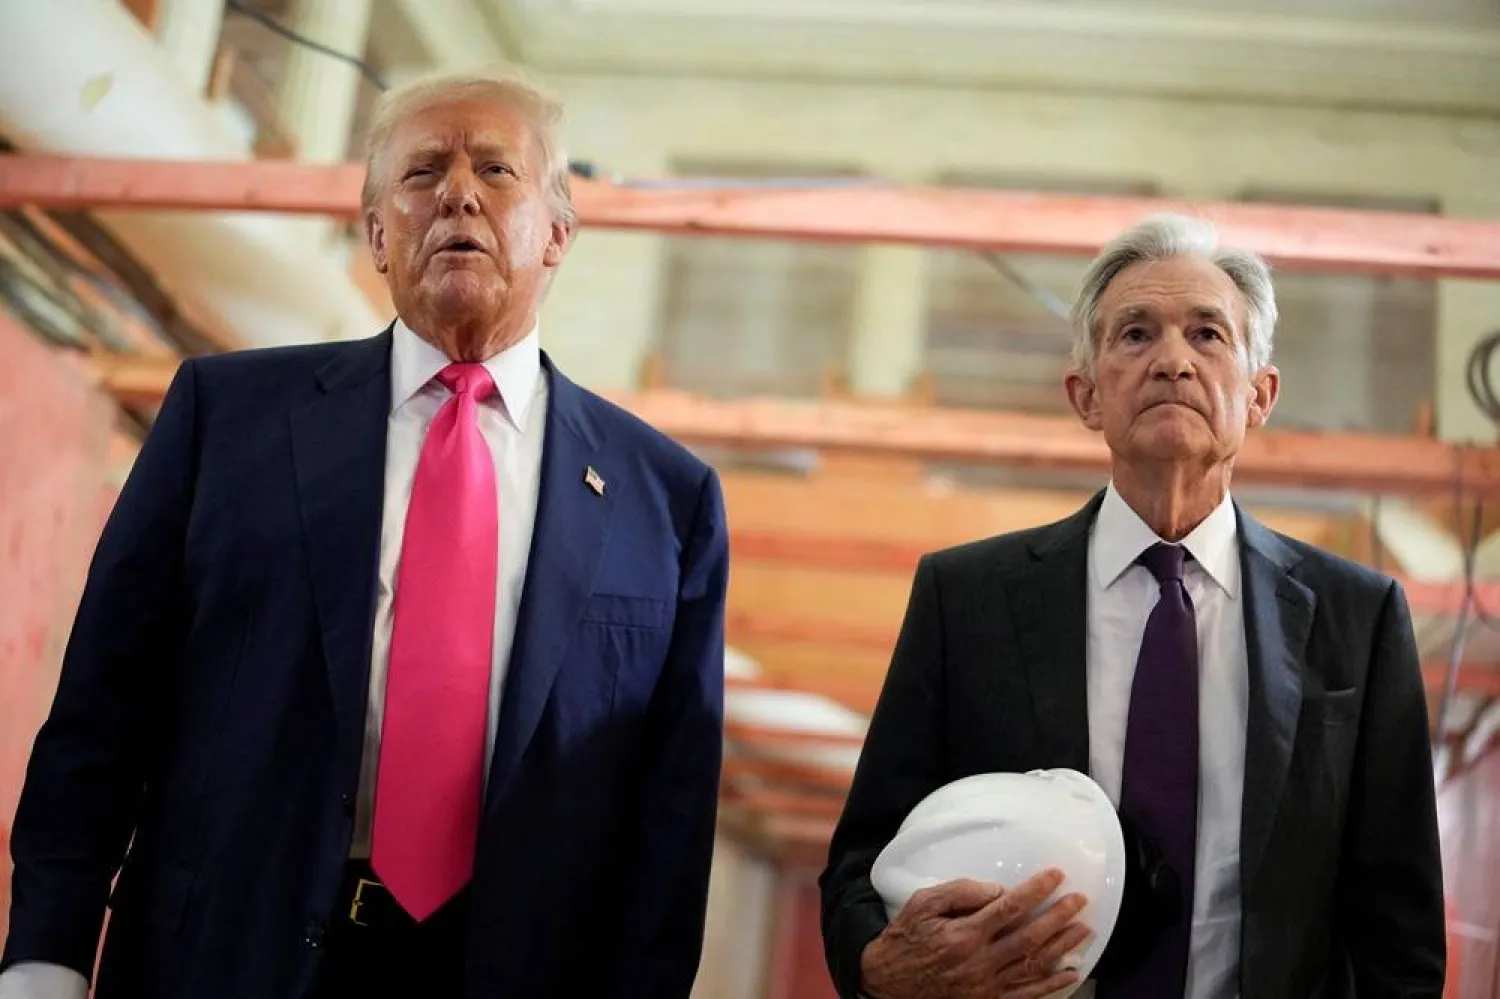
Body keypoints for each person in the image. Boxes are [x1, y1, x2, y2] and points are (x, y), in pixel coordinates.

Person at [0, 67, 728, 999]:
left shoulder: (665, 499)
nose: (459, 192)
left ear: (557, 235)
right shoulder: (225, 421)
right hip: (225, 957)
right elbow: (104, 703)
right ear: (379, 235)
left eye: (496, 171)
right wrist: (44, 955)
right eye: (423, 172)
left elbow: (669, 817)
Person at [820, 214, 1445, 999]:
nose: (1173, 362)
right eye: (1136, 334)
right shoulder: (966, 599)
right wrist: (879, 966)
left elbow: (1401, 931)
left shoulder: (1359, 619)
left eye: (1208, 335)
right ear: (1086, 394)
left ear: (1261, 395)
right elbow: (859, 862)